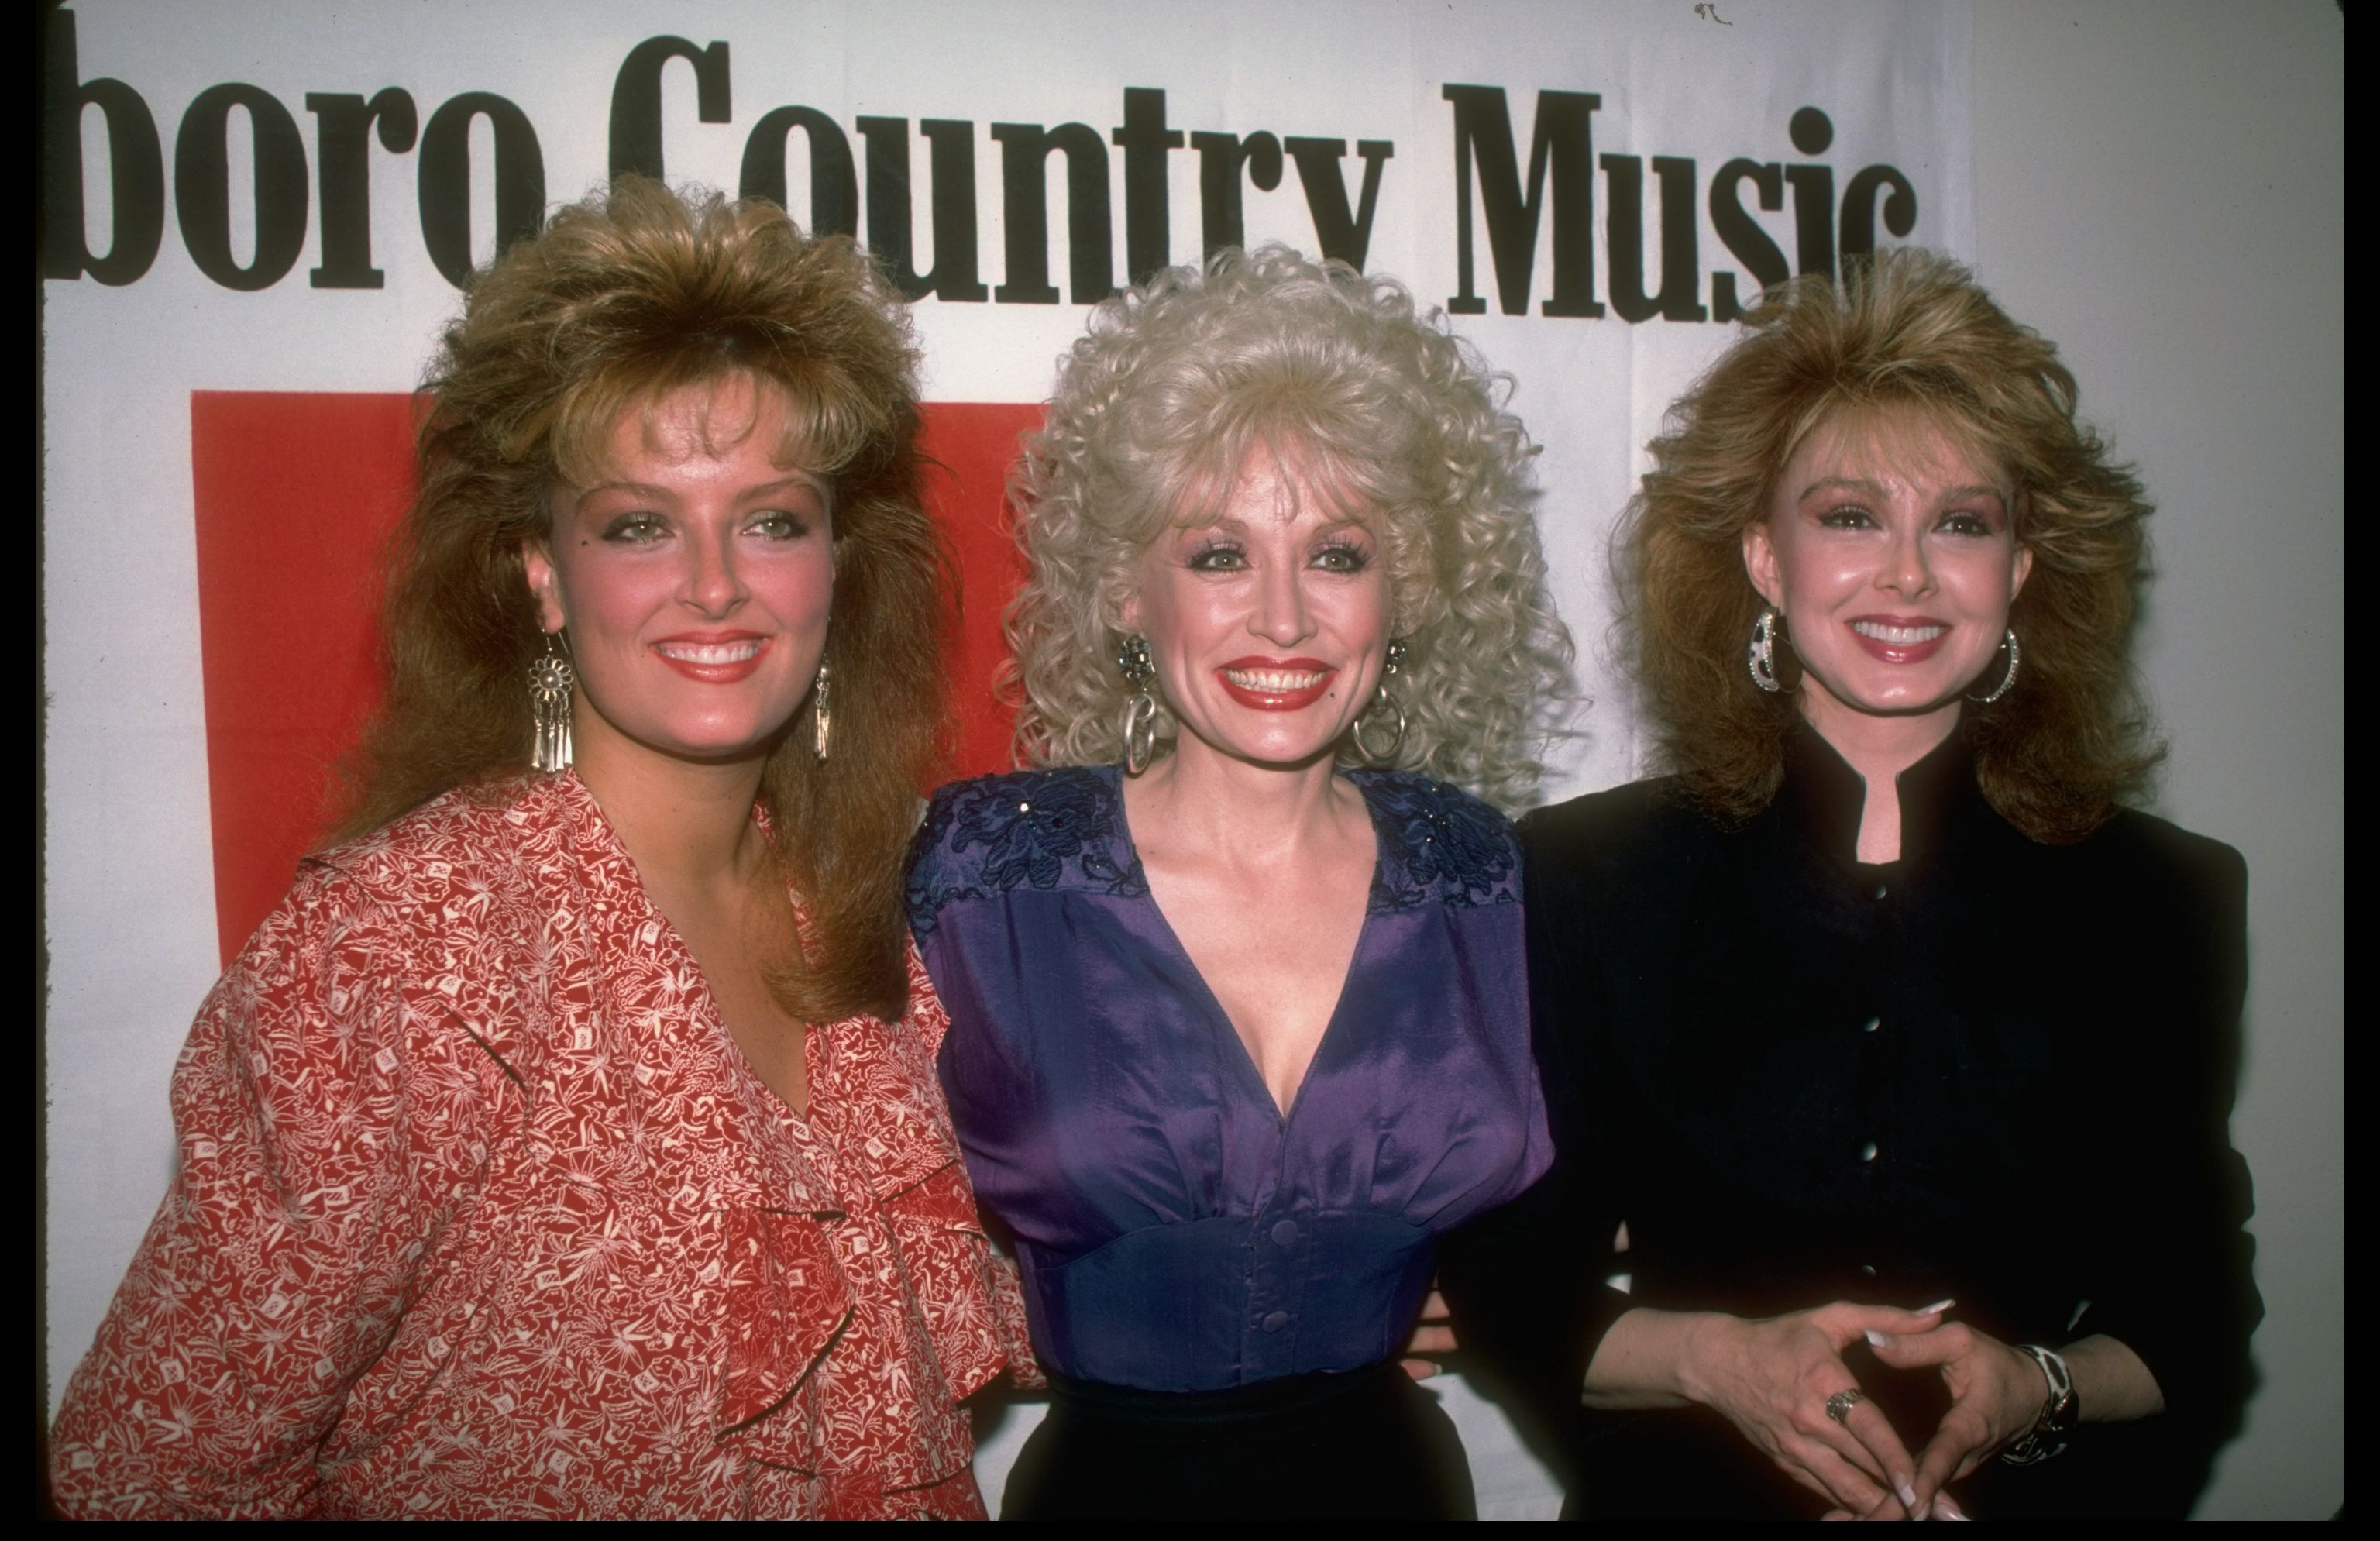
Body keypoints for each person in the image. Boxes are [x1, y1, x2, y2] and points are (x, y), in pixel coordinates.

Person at [48, 179, 1032, 1519]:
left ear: (836, 565)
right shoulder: (401, 957)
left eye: (771, 517)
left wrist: (1323, 1272)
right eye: (638, 523)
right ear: (543, 573)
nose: (714, 582)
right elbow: (151, 1475)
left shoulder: (857, 915)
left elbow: (927, 1327)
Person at [1441, 249, 2261, 1519]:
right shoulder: (1584, 875)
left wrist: (2035, 1388)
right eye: (1850, 516)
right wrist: (1724, 1363)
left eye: (1963, 524)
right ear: (1765, 558)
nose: (1909, 576)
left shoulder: (2163, 898)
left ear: (2023, 571)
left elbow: (2194, 1322)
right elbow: (1514, 1282)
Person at [904, 246, 1573, 1519]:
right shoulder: (983, 877)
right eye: (1218, 554)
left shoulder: (1477, 875)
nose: (1283, 618)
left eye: (1337, 553)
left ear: (1409, 590)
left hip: (1394, 1489)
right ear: (1123, 593)